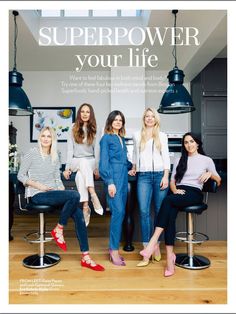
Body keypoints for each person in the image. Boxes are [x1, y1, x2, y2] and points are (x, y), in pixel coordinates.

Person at [17, 126, 104, 272]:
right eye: (43, 136)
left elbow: (57, 178)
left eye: (49, 136)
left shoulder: (55, 154)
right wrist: (38, 185)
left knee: (79, 215)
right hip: (37, 195)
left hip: (53, 194)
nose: (45, 139)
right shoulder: (31, 153)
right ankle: (59, 229)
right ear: (40, 138)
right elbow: (21, 176)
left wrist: (61, 190)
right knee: (76, 195)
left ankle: (86, 256)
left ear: (53, 139)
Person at [139, 132, 221, 277]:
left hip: (194, 193)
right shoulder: (179, 159)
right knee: (170, 214)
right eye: (186, 142)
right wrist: (175, 189)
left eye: (191, 141)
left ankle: (152, 243)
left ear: (197, 143)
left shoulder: (206, 160)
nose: (189, 145)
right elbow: (172, 181)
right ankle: (170, 258)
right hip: (179, 192)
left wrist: (210, 174)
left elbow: (218, 180)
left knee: (168, 200)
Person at [129, 108, 170, 267]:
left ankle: (156, 246)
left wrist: (166, 176)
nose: (150, 119)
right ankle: (146, 249)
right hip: (143, 176)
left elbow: (166, 156)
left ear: (156, 119)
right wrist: (134, 166)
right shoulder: (137, 135)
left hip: (160, 175)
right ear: (143, 118)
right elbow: (135, 155)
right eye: (147, 116)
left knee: (160, 210)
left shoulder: (162, 136)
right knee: (144, 212)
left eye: (152, 116)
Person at [99, 110, 132, 266]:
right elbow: (103, 163)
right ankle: (113, 250)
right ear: (110, 121)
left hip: (124, 177)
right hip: (113, 178)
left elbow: (124, 160)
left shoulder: (121, 139)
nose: (118, 122)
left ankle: (113, 248)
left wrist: (132, 167)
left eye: (120, 120)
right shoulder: (106, 138)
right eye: (115, 120)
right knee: (118, 212)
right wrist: (110, 181)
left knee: (121, 212)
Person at [63, 103, 103, 227]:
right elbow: (70, 149)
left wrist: (97, 167)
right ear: (79, 114)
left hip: (90, 161)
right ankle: (93, 195)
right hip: (76, 160)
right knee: (82, 163)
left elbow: (97, 150)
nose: (85, 114)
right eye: (82, 112)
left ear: (91, 114)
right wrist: (67, 167)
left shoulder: (96, 128)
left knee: (80, 176)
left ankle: (85, 206)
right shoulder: (72, 127)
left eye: (87, 112)